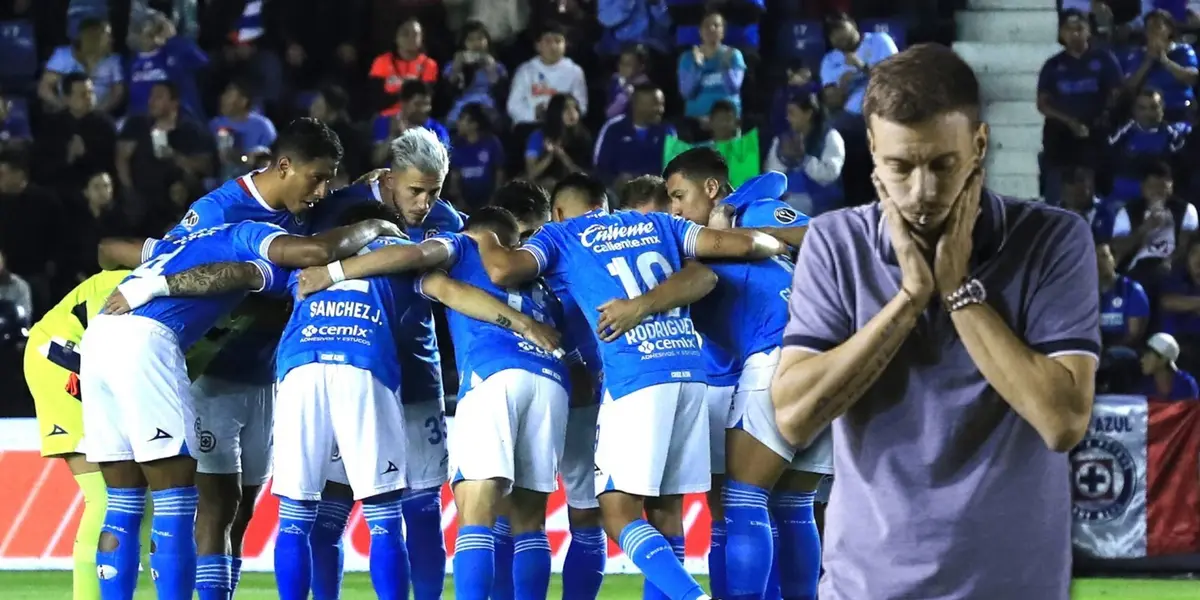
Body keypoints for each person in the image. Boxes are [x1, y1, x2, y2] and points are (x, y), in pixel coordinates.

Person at [770, 44, 1099, 600]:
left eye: (942, 165)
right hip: (866, 589)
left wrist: (957, 290)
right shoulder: (834, 242)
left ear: (979, 145)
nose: (922, 193)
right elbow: (795, 418)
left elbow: (1063, 421)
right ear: (872, 149)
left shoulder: (1053, 240)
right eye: (900, 166)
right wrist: (909, 298)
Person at [466, 171, 788, 600]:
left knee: (616, 514)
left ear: (556, 213)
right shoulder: (661, 225)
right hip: (690, 372)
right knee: (666, 513)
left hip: (634, 379)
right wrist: (775, 239)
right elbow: (732, 258)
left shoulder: (562, 236)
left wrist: (484, 237)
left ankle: (693, 597)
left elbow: (503, 269)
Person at [82, 210, 401, 600]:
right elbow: (253, 272)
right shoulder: (253, 238)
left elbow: (108, 248)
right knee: (179, 502)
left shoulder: (185, 241)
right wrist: (376, 224)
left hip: (103, 338)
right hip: (156, 344)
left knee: (128, 502)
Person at [271, 201, 558, 600]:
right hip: (371, 371)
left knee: (296, 519)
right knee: (391, 518)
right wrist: (524, 324)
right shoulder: (403, 261)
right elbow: (448, 289)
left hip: (298, 369)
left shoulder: (305, 267)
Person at [156, 117, 343, 600]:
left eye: (330, 179)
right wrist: (262, 288)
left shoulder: (306, 210)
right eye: (316, 178)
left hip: (264, 377)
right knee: (216, 504)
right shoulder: (222, 208)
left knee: (243, 511)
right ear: (283, 166)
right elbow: (166, 266)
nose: (323, 191)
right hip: (210, 375)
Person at [300, 127, 464, 600]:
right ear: (389, 179)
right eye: (416, 190)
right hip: (344, 369)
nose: (425, 202)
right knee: (331, 509)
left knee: (422, 509)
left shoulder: (446, 221)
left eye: (434, 191)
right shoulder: (339, 207)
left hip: (416, 374)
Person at [662, 149, 815, 600]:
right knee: (792, 505)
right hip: (817, 359)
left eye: (679, 196)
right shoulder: (700, 241)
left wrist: (741, 230)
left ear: (711, 189)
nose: (675, 209)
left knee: (743, 502)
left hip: (776, 356)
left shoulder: (752, 209)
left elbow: (815, 235)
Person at [22, 270, 127, 600]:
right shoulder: (132, 280)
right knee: (106, 496)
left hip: (107, 368)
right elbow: (104, 344)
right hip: (63, 357)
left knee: (141, 496)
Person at [1139, 332, 1199, 400]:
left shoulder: (1186, 385)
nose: (1142, 360)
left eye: (1148, 356)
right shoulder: (1144, 386)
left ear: (1163, 359)